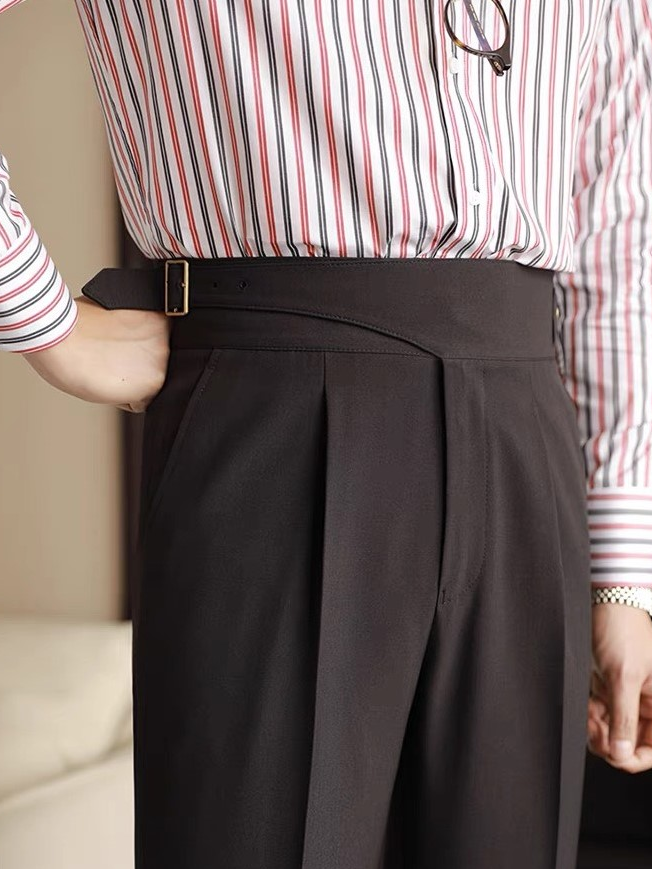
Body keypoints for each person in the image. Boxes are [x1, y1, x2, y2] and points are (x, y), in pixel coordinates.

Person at [1, 1, 651, 866]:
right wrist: (50, 324)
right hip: (273, 414)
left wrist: (621, 573)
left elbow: (615, 213)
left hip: (530, 429)